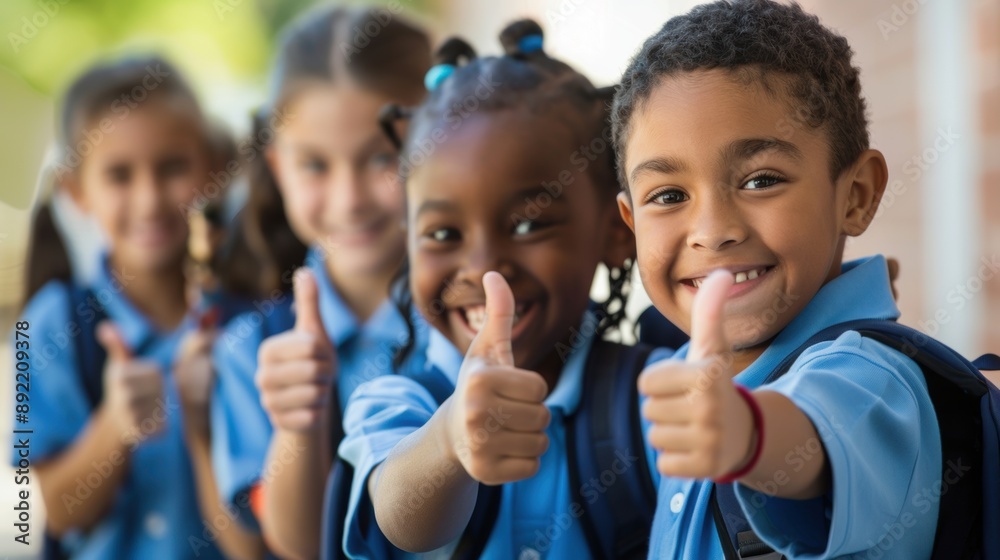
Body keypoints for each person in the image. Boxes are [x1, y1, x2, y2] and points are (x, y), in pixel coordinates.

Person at [611, 1, 940, 557]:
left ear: (854, 196)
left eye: (761, 180)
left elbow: (813, 434)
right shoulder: (677, 376)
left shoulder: (871, 379)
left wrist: (748, 434)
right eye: (668, 196)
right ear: (630, 223)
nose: (712, 232)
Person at [339, 20, 671, 559]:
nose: (485, 269)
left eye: (528, 225)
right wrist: (448, 442)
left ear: (616, 232)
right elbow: (400, 519)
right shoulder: (396, 405)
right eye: (443, 234)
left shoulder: (657, 395)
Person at [209, 5, 432, 558]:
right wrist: (296, 427)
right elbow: (298, 545)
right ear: (277, 166)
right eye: (314, 164)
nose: (349, 199)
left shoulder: (488, 313)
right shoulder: (253, 348)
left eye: (383, 156)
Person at [15, 55, 258, 559]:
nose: (149, 200)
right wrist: (113, 430)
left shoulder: (252, 320)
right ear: (76, 191)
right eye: (120, 175)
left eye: (172, 167)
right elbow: (50, 510)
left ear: (215, 169)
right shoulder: (45, 327)